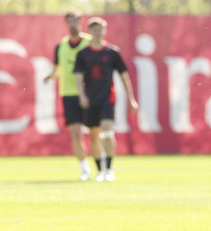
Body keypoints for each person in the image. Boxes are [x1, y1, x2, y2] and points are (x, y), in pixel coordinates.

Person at [73, 17, 139, 182]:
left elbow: (124, 76)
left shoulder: (112, 52)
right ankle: (99, 170)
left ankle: (109, 169)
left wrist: (131, 99)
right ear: (89, 32)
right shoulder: (83, 54)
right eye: (94, 30)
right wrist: (82, 95)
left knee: (108, 131)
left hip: (107, 99)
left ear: (104, 31)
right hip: (90, 100)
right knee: (94, 135)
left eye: (100, 29)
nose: (97, 32)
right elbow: (78, 77)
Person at [43, 11, 93, 180]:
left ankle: (103, 166)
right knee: (76, 134)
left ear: (80, 21)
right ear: (66, 23)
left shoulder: (89, 42)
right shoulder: (61, 46)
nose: (72, 24)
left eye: (75, 21)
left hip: (89, 92)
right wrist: (50, 76)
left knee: (95, 132)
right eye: (69, 21)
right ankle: (84, 169)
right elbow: (59, 69)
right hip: (69, 94)